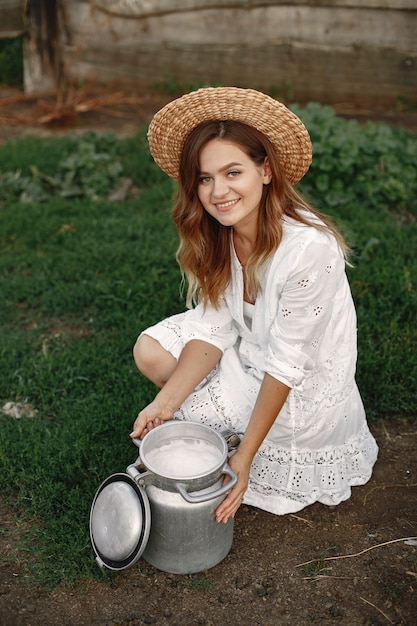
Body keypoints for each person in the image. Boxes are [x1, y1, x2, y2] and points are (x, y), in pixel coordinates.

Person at [130, 86, 378, 524]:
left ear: (265, 171)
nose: (217, 191)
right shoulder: (222, 232)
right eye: (205, 178)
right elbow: (214, 328)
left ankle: (239, 437)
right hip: (251, 349)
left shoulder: (308, 250)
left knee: (201, 431)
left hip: (300, 387)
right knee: (151, 352)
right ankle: (213, 415)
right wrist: (166, 404)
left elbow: (287, 365)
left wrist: (244, 458)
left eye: (232, 173)